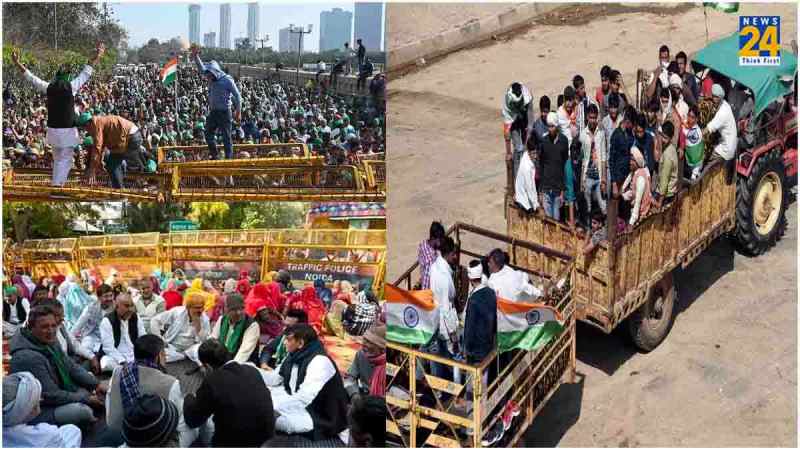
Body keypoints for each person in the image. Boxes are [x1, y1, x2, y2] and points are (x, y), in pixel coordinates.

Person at [9, 43, 105, 186]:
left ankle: (57, 184)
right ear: (67, 78)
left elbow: (31, 77)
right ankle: (57, 187)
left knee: (59, 160)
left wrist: (17, 63)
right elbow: (86, 71)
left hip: (53, 132)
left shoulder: (48, 87)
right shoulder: (71, 86)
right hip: (67, 133)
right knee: (64, 160)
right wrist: (97, 56)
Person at [9, 306, 105, 428]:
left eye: (53, 326)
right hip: (37, 411)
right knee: (83, 411)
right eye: (44, 327)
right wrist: (85, 399)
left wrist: (96, 384)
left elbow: (70, 366)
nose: (51, 330)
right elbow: (51, 395)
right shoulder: (27, 357)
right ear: (31, 328)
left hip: (58, 391)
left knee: (94, 391)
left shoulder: (48, 341)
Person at [106, 335, 203, 447]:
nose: (165, 358)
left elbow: (109, 405)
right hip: (151, 440)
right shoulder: (170, 383)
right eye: (163, 355)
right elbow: (176, 420)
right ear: (158, 357)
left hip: (117, 431)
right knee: (192, 426)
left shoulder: (118, 371)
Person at [262, 324, 349, 442]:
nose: (284, 343)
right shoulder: (294, 354)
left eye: (288, 340)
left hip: (317, 413)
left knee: (270, 420)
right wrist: (251, 371)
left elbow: (304, 398)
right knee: (262, 401)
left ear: (301, 343)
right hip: (295, 400)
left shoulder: (320, 362)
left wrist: (273, 409)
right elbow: (276, 378)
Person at [183, 339, 275, 447]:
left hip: (230, 443)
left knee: (203, 423)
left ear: (207, 366)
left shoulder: (213, 381)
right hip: (265, 440)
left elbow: (193, 420)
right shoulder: (252, 370)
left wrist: (188, 398)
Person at [2, 372, 83, 447]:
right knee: (73, 430)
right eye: (35, 401)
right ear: (26, 411)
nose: (40, 399)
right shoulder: (46, 434)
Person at [191, 45, 242, 160]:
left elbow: (238, 96)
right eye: (207, 75)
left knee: (226, 137)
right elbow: (201, 68)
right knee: (208, 133)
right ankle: (215, 155)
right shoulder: (209, 74)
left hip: (225, 112)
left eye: (210, 75)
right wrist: (195, 56)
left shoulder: (227, 80)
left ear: (216, 72)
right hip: (213, 112)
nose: (208, 78)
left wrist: (238, 112)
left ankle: (228, 159)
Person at [76, 112, 147, 188]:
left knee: (124, 166)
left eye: (85, 129)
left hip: (131, 137)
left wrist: (92, 170)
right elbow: (101, 146)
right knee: (112, 164)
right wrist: (99, 163)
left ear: (87, 124)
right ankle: (120, 190)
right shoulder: (99, 122)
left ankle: (138, 186)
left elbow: (98, 147)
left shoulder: (97, 125)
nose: (87, 131)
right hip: (129, 137)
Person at [425, 236, 459, 380]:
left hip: (434, 318)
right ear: (448, 254)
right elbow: (446, 308)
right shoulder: (445, 277)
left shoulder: (434, 267)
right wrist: (452, 333)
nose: (456, 257)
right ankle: (454, 390)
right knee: (452, 358)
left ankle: (437, 388)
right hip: (445, 323)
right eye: (454, 254)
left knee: (436, 357)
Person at [149, 293, 210, 364]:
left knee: (201, 352)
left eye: (202, 307)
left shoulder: (204, 319)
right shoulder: (177, 312)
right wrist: (160, 340)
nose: (200, 310)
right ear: (188, 307)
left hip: (191, 349)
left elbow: (204, 340)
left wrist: (198, 326)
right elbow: (154, 320)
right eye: (197, 308)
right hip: (171, 346)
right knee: (155, 352)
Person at [44, 300, 99, 374]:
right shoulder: (46, 334)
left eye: (62, 315)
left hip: (69, 363)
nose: (62, 318)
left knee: (89, 360)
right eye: (58, 316)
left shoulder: (61, 326)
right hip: (60, 370)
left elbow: (74, 344)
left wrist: (92, 357)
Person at [99, 293, 146, 373]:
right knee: (105, 363)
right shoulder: (107, 321)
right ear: (117, 306)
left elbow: (143, 337)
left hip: (134, 353)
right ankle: (133, 368)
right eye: (127, 306)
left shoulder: (135, 317)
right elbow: (108, 347)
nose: (131, 309)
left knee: (169, 353)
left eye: (132, 305)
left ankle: (129, 369)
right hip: (116, 356)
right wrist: (122, 361)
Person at [462, 260, 497, 365]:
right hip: (488, 345)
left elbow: (470, 328)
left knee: (473, 379)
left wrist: (466, 350)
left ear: (470, 279)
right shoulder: (491, 293)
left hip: (475, 352)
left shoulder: (473, 300)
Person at [209, 293, 260, 364]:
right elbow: (213, 339)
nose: (238, 312)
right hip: (224, 358)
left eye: (241, 308)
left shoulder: (252, 325)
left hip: (243, 363)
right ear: (226, 309)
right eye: (234, 309)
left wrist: (230, 367)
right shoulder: (222, 319)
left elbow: (244, 352)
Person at [539, 111, 569, 221]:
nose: (550, 129)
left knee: (556, 220)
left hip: (557, 188)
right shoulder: (544, 142)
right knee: (547, 220)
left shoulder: (564, 141)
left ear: (556, 126)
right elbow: (541, 165)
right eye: (549, 126)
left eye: (552, 126)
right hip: (547, 186)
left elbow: (564, 165)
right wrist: (541, 190)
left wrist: (562, 190)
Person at [71, 283, 115, 356]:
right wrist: (70, 338)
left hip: (110, 337)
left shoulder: (116, 307)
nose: (109, 299)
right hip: (92, 336)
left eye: (111, 295)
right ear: (99, 297)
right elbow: (78, 324)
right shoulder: (91, 308)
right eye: (106, 296)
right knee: (86, 347)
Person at [579, 104, 607, 217]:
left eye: (594, 118)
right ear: (587, 118)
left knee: (603, 205)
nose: (592, 120)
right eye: (590, 118)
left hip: (599, 175)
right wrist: (582, 180)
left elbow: (604, 157)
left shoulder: (601, 133)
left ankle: (605, 228)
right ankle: (589, 227)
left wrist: (604, 178)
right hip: (588, 176)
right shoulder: (583, 135)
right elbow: (583, 160)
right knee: (588, 206)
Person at [344, 323, 385, 399]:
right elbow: (349, 377)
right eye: (365, 340)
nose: (364, 344)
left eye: (370, 342)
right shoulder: (361, 354)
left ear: (382, 348)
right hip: (363, 396)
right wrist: (354, 394)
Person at [503, 82, 533, 180]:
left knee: (525, 148)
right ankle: (517, 179)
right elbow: (507, 130)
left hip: (524, 114)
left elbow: (530, 123)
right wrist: (508, 152)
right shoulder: (507, 103)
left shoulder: (527, 96)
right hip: (513, 117)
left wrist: (527, 142)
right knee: (518, 148)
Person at [608, 105, 636, 199]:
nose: (633, 126)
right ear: (627, 121)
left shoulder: (631, 135)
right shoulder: (616, 135)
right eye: (632, 123)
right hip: (618, 178)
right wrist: (614, 183)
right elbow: (611, 160)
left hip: (627, 177)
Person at [706, 83, 738, 163]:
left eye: (716, 97)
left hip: (726, 148)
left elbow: (709, 128)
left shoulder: (722, 113)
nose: (713, 99)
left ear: (720, 97)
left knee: (708, 157)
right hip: (728, 141)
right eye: (713, 96)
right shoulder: (725, 104)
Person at [621, 146, 652, 227]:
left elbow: (638, 202)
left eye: (632, 160)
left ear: (637, 162)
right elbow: (629, 179)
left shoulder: (640, 178)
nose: (630, 162)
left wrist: (631, 223)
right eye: (630, 159)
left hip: (641, 213)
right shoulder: (635, 172)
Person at [654, 122, 679, 208]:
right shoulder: (671, 148)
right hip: (669, 193)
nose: (663, 140)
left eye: (666, 138)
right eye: (662, 136)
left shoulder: (668, 156)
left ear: (671, 138)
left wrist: (660, 202)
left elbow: (665, 179)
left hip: (666, 196)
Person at [514, 136, 540, 213]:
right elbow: (529, 187)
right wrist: (536, 205)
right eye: (533, 153)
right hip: (525, 202)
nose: (535, 156)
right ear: (528, 152)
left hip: (525, 196)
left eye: (536, 153)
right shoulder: (527, 167)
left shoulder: (526, 155)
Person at [680, 104, 705, 180]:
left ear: (697, 119)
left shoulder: (697, 132)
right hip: (687, 160)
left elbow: (686, 133)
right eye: (689, 116)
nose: (689, 119)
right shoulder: (686, 123)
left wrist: (694, 173)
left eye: (692, 117)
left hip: (695, 165)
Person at [418, 221, 445, 289]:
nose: (442, 242)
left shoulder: (424, 244)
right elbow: (425, 286)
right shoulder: (430, 263)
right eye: (440, 239)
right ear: (433, 238)